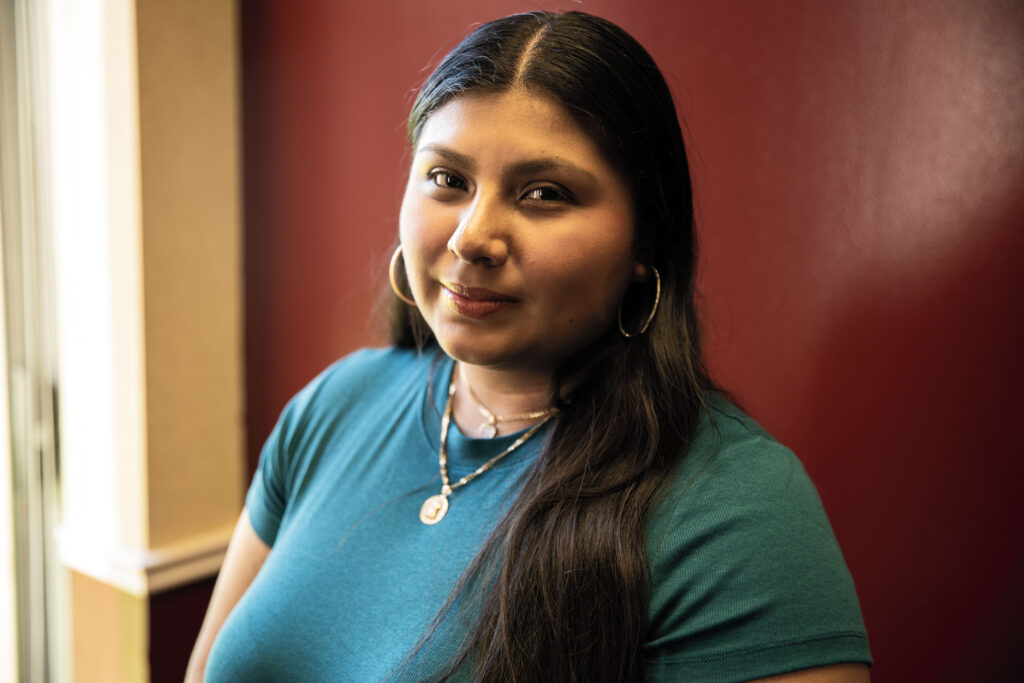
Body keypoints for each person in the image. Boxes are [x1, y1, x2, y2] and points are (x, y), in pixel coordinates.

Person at [187, 11, 871, 682]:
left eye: (544, 193)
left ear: (645, 241)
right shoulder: (333, 406)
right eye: (448, 180)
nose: (471, 238)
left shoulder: (737, 510)